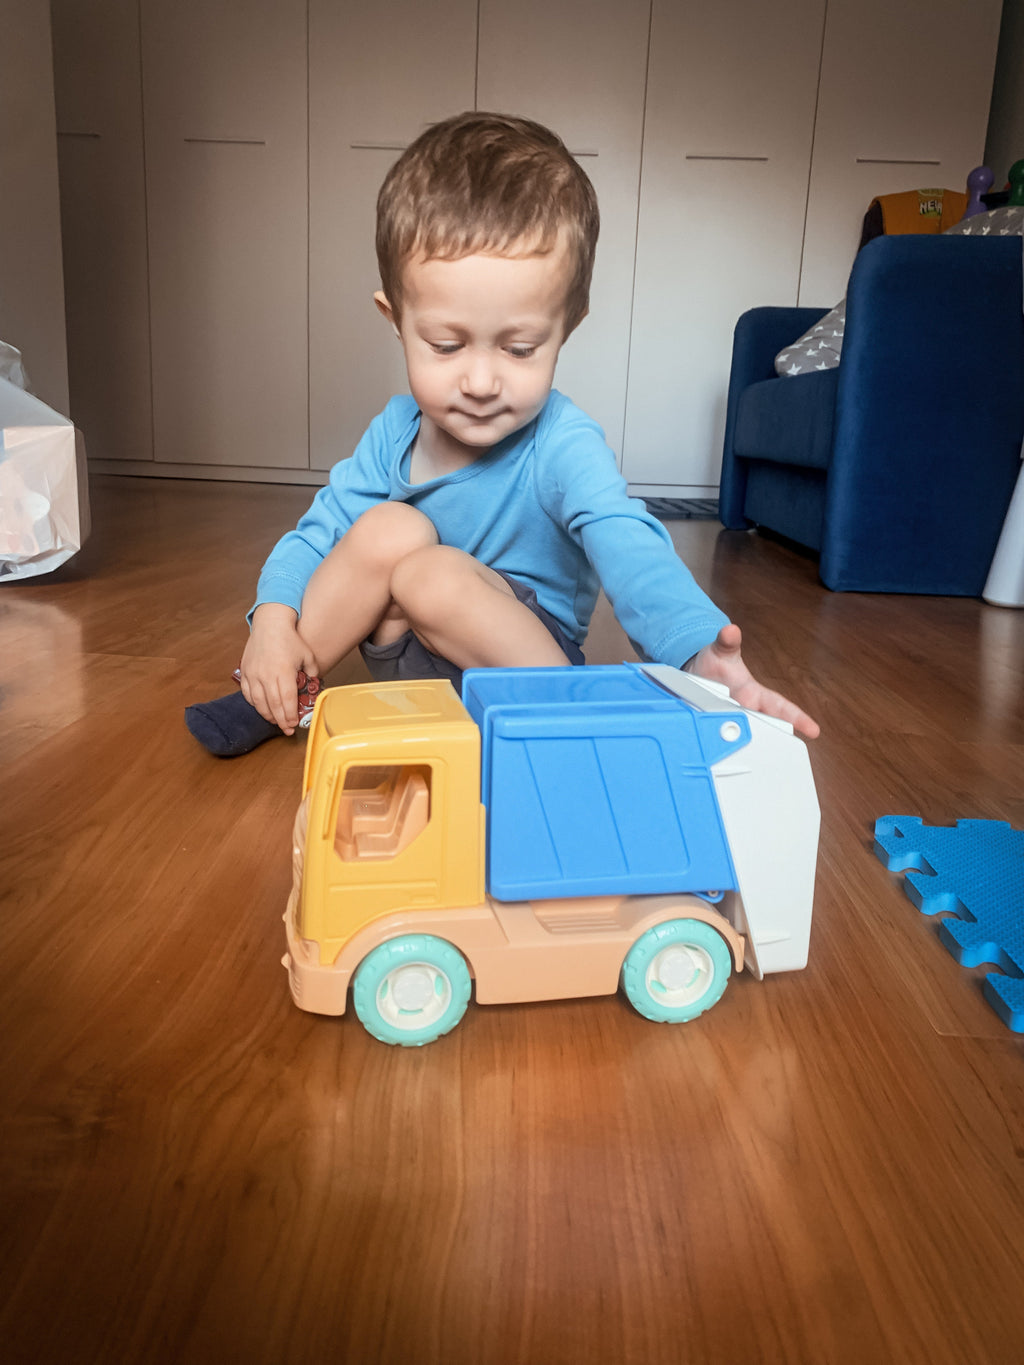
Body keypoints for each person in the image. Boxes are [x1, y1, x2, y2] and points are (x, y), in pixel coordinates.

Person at [186, 111, 819, 758]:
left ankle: (570, 726)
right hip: (415, 667)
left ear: (567, 325)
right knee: (387, 531)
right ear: (396, 320)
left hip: (527, 671)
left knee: (427, 572)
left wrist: (694, 647)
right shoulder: (393, 434)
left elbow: (626, 538)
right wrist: (271, 620)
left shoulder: (562, 441)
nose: (482, 380)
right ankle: (275, 694)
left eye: (519, 349)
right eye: (446, 344)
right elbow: (317, 534)